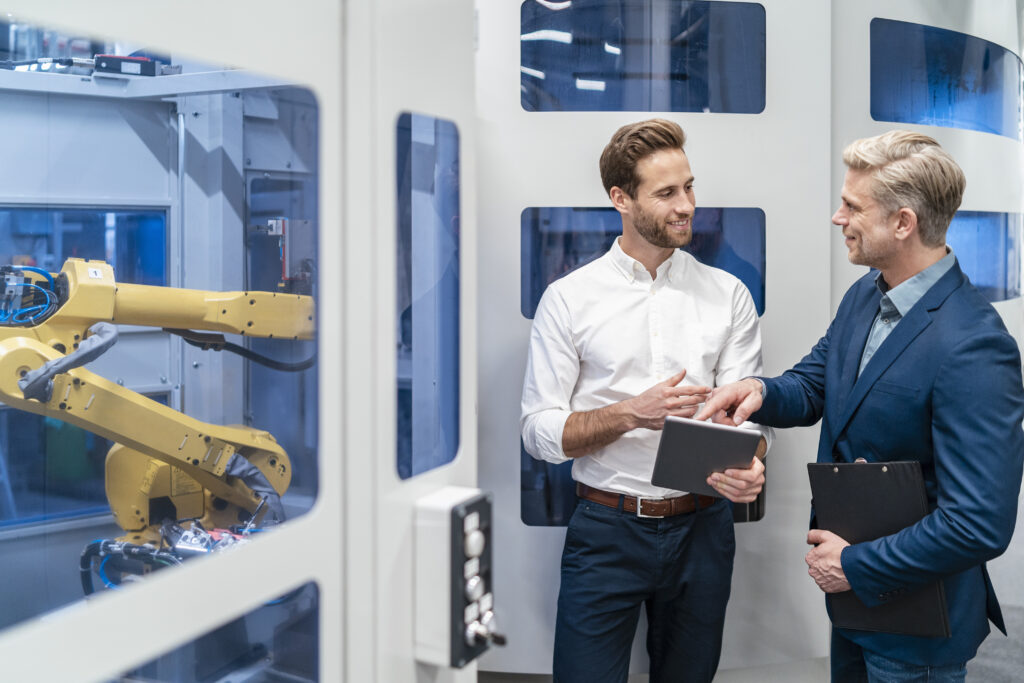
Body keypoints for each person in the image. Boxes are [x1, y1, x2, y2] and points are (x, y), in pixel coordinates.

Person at [695, 130, 1024, 682]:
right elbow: (815, 383)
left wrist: (853, 564)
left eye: (852, 206)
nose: (837, 217)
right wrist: (758, 391)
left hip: (916, 623)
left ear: (903, 223)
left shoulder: (974, 345)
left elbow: (978, 524)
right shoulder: (866, 295)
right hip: (853, 607)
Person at [520, 118, 770, 683]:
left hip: (703, 529)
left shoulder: (728, 295)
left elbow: (750, 413)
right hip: (605, 529)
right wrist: (633, 412)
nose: (687, 205)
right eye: (666, 193)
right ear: (621, 199)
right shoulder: (568, 300)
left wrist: (751, 464)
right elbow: (537, 432)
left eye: (688, 186)